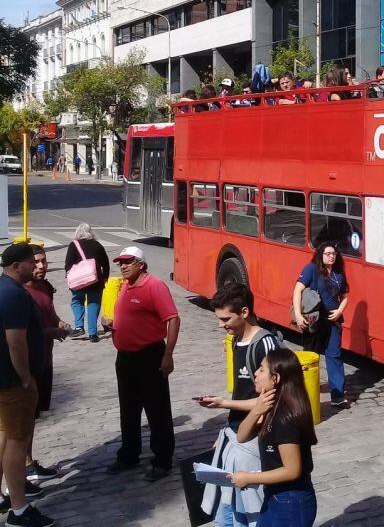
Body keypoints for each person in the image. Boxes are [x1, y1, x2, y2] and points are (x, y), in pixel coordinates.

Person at [197, 284, 279, 527]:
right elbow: (243, 391)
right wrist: (228, 431)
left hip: (253, 442)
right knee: (226, 514)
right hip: (236, 435)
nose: (221, 325)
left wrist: (224, 403)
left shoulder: (265, 344)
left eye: (225, 319)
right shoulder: (235, 340)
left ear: (244, 312)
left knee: (249, 513)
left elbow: (271, 400)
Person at [102, 246, 180, 481]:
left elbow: (173, 319)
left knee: (157, 411)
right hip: (125, 357)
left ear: (141, 264)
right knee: (128, 408)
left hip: (149, 356)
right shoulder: (124, 285)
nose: (123, 266)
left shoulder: (154, 286)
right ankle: (129, 453)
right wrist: (111, 324)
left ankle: (162, 460)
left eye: (128, 262)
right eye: (120, 263)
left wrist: (168, 355)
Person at [0, 242, 56, 527]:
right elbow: (15, 343)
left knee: (6, 436)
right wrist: (25, 377)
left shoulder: (6, 289)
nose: (35, 266)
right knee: (17, 442)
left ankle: (6, 497)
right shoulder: (12, 295)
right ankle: (19, 510)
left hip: (6, 380)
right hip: (12, 382)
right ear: (15, 266)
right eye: (29, 262)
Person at [229, 349, 317, 527]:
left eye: (261, 370)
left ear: (275, 378)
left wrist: (249, 478)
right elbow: (242, 436)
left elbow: (292, 470)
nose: (255, 373)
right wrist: (256, 411)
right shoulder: (270, 406)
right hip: (276, 497)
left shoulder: (285, 418)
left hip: (291, 501)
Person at [24, 247, 68, 484]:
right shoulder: (22, 293)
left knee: (34, 417)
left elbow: (50, 315)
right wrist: (51, 331)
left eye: (44, 261)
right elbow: (21, 334)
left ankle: (28, 462)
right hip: (29, 365)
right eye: (37, 262)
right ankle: (25, 465)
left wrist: (59, 322)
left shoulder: (44, 287)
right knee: (24, 419)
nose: (42, 266)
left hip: (45, 361)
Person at [293, 244, 349, 407]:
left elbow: (345, 296)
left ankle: (337, 395)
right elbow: (297, 290)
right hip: (315, 320)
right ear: (321, 254)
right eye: (328, 253)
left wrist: (339, 311)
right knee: (310, 355)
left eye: (334, 254)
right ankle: (304, 390)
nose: (332, 256)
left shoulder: (339, 273)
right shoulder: (311, 269)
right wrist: (298, 315)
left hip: (333, 321)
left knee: (334, 355)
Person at [64, 223, 110, 343]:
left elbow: (68, 264)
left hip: (78, 281)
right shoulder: (97, 245)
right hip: (95, 280)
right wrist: (105, 277)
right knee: (93, 305)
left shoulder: (73, 245)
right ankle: (93, 333)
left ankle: (79, 326)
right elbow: (106, 263)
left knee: (76, 301)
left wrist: (69, 276)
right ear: (90, 232)